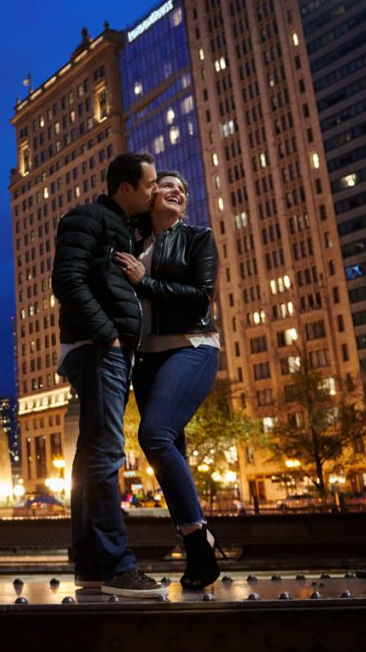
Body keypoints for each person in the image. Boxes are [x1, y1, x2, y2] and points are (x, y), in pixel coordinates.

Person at [52, 152, 167, 598]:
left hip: (106, 350)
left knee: (89, 457)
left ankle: (91, 566)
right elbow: (67, 279)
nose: (156, 189)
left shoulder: (124, 228)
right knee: (105, 455)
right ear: (125, 188)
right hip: (98, 349)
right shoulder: (87, 219)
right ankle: (119, 567)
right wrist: (108, 336)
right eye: (150, 183)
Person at [114, 169, 224, 590]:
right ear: (150, 194)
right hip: (145, 359)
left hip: (191, 346)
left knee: (155, 434)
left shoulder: (197, 237)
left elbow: (200, 297)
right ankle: (200, 553)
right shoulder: (130, 238)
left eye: (184, 188)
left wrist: (147, 282)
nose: (179, 190)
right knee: (170, 447)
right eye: (168, 185)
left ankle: (196, 535)